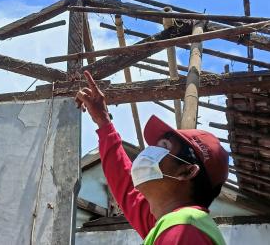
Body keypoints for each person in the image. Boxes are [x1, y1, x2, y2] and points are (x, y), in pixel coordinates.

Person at [75, 71, 229, 245]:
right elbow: (125, 185)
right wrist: (103, 123)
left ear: (187, 171)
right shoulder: (165, 223)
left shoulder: (184, 229)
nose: (150, 151)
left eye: (164, 146)